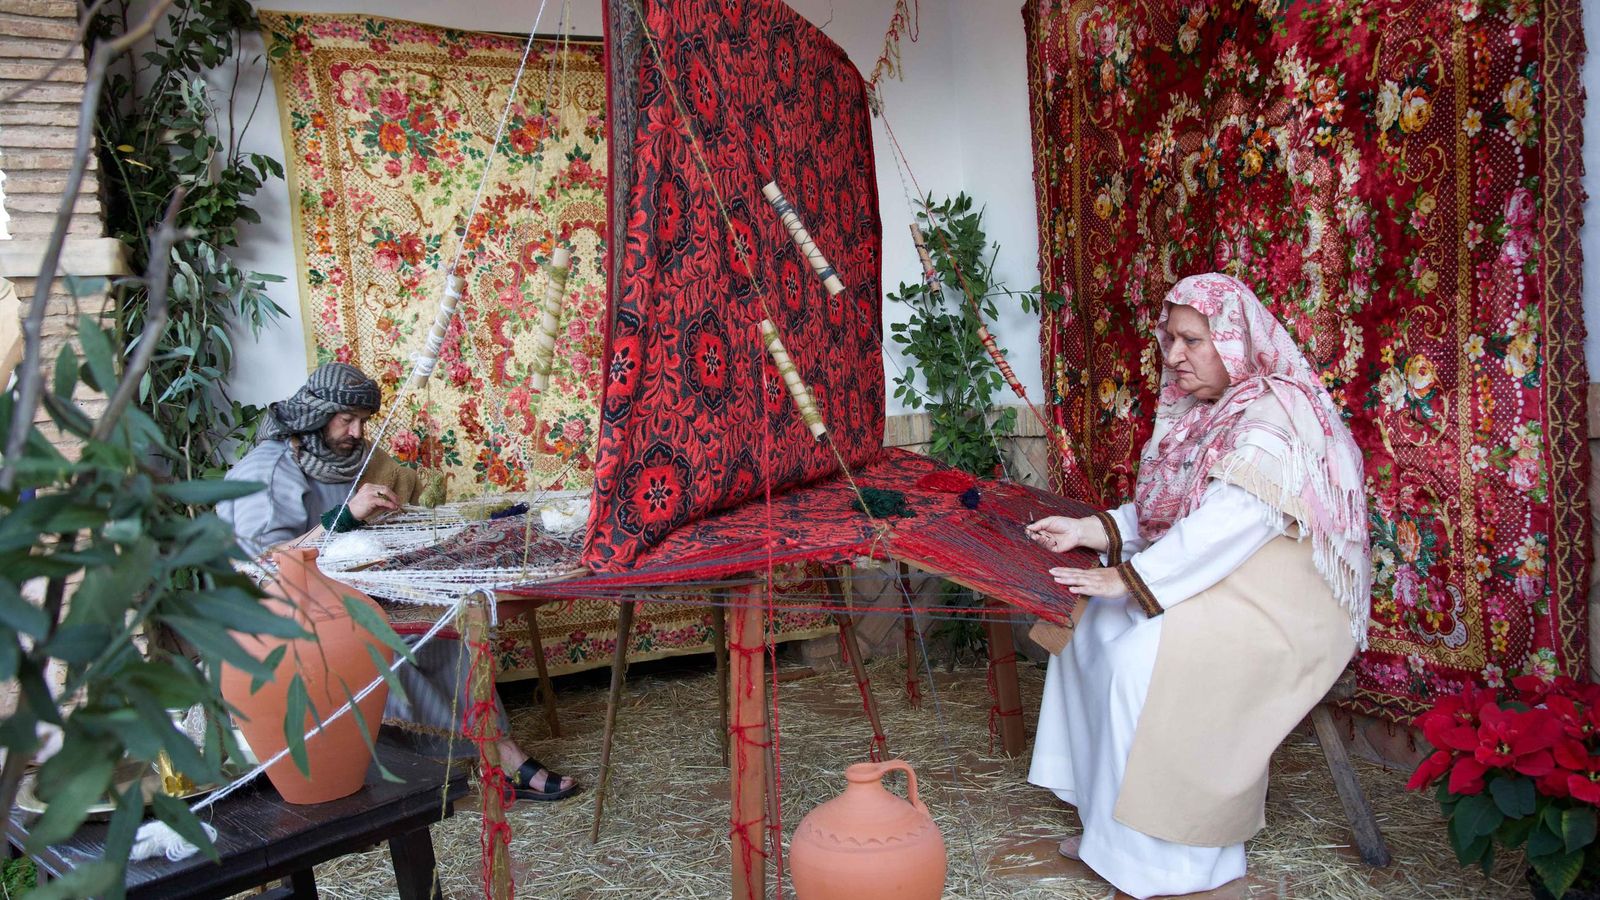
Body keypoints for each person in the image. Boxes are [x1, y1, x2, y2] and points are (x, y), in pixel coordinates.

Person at [1024, 273, 1371, 898]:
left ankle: (1174, 862)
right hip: (1227, 578)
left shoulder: (1272, 417)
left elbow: (1226, 527)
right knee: (1089, 626)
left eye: (1193, 340)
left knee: (1139, 661)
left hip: (1282, 603)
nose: (1174, 355)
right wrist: (1086, 530)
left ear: (1233, 341)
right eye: (1171, 339)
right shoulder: (1203, 414)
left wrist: (1127, 577)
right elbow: (1165, 513)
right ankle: (1108, 832)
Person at [219, 362, 578, 802]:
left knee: (441, 628)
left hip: (348, 596)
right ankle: (489, 758)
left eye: (363, 421)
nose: (356, 431)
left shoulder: (349, 456)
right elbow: (264, 567)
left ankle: (488, 754)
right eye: (346, 419)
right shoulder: (269, 472)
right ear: (317, 414)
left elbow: (387, 493)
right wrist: (345, 517)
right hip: (291, 619)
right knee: (396, 642)